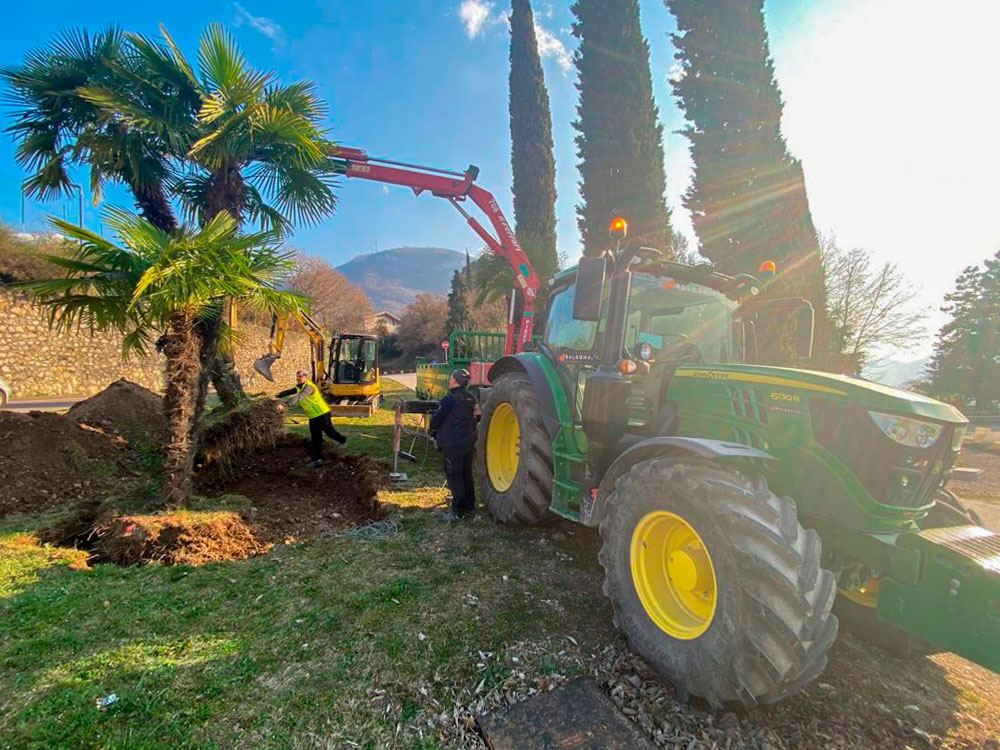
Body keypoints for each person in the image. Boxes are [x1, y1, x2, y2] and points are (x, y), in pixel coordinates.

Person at [430, 369, 477, 521]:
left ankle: (457, 512)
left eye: (451, 378)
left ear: (455, 381)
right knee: (466, 473)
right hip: (468, 442)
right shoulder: (470, 398)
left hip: (453, 443)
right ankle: (469, 506)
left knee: (454, 475)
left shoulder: (449, 400)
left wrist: (433, 425)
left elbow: (436, 421)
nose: (449, 381)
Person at [277, 370, 346, 468]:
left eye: (300, 376)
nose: (298, 378)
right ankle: (317, 460)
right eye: (297, 377)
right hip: (313, 417)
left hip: (322, 414)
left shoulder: (309, 387)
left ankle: (342, 440)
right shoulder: (299, 387)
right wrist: (277, 395)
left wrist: (285, 404)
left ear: (305, 377)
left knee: (330, 432)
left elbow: (299, 397)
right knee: (316, 439)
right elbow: (289, 392)